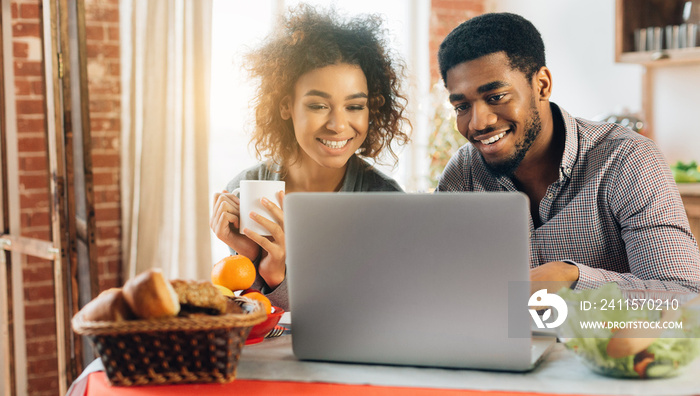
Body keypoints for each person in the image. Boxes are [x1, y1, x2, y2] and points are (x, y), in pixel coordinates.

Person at [436, 12, 700, 294]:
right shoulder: (463, 175)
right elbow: (437, 287)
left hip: (601, 340)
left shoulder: (626, 159)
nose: (478, 123)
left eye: (496, 97)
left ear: (542, 85)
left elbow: (684, 297)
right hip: (506, 338)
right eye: (462, 106)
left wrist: (571, 278)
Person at [210, 5, 410, 310]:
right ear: (286, 106)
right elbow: (247, 315)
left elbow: (371, 313)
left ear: (373, 109)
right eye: (318, 106)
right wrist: (252, 259)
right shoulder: (249, 186)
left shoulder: (384, 200)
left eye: (354, 106)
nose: (338, 125)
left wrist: (276, 275)